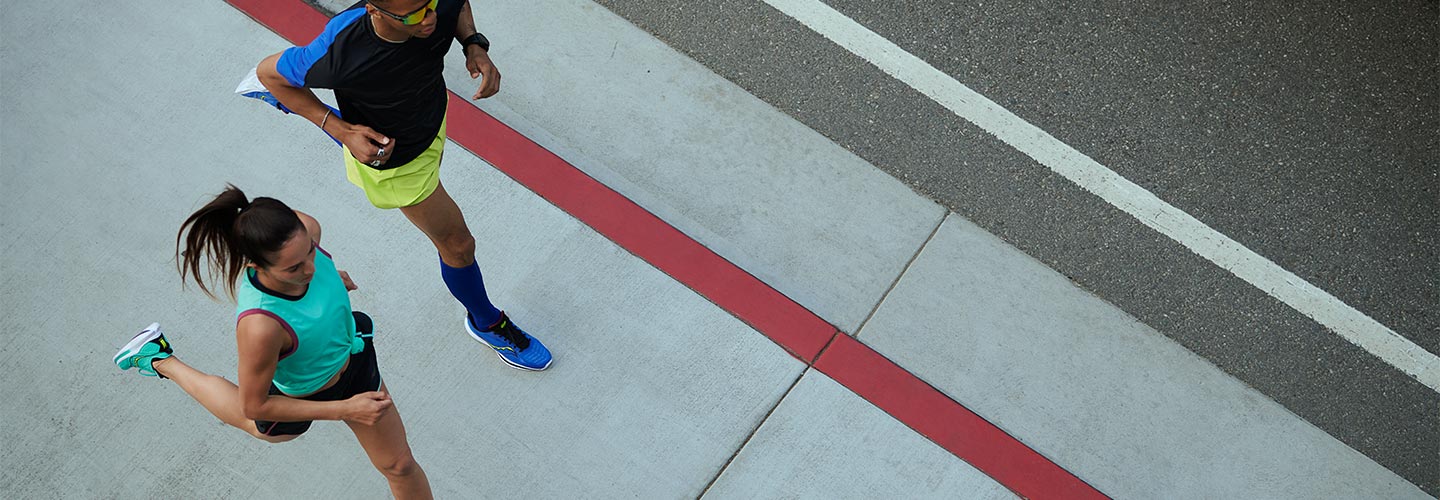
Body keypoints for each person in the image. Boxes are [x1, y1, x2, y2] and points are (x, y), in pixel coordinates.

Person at [249, 0, 552, 371]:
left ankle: (308, 113)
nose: (429, 19)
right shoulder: (341, 50)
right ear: (375, 10)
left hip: (428, 117)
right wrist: (338, 128)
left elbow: (456, 6)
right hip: (398, 165)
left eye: (431, 6)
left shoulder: (427, 5)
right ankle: (487, 322)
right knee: (458, 245)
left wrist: (473, 43)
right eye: (413, 15)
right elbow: (270, 73)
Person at [113, 186, 432, 499]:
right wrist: (344, 409)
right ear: (255, 266)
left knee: (400, 466)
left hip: (354, 357)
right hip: (304, 393)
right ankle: (159, 358)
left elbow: (310, 262)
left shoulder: (305, 228)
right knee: (254, 423)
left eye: (310, 253)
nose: (310, 268)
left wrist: (330, 282)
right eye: (293, 268)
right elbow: (254, 404)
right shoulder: (261, 327)